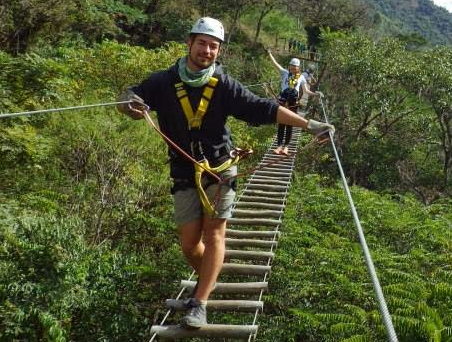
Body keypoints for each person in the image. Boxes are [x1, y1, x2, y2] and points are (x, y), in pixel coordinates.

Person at [117, 17, 334, 329]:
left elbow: (263, 108)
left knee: (214, 232)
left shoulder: (223, 84)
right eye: (202, 43)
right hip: (183, 170)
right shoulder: (162, 82)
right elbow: (131, 97)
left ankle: (200, 302)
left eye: (213, 46)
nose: (207, 50)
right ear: (190, 43)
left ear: (219, 51)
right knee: (190, 245)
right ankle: (210, 277)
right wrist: (129, 105)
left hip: (220, 168)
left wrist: (310, 125)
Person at [266, 50, 320, 155]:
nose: (293, 68)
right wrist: (269, 54)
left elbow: (306, 91)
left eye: (295, 66)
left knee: (290, 124)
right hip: (283, 100)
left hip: (293, 102)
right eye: (291, 66)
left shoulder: (301, 77)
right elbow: (275, 64)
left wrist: (315, 94)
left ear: (298, 68)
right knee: (281, 123)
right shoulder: (285, 73)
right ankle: (279, 146)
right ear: (289, 66)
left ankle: (286, 147)